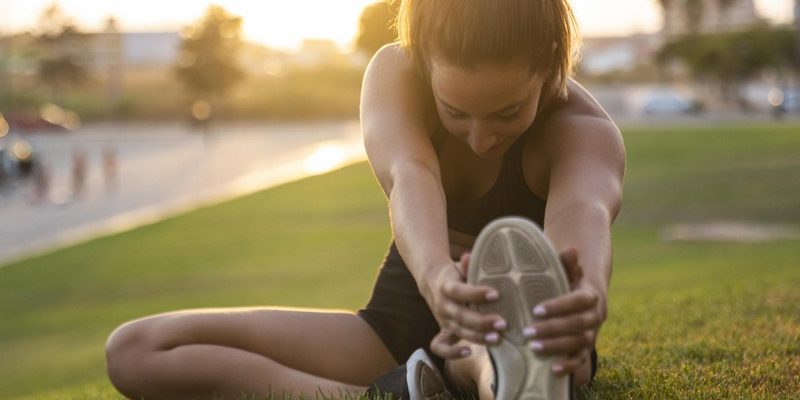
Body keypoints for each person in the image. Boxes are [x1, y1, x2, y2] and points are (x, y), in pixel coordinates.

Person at [104, 0, 625, 399]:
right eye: (455, 112)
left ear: (551, 65)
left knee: (517, 349)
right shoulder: (396, 74)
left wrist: (584, 298)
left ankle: (494, 373)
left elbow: (583, 218)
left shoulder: (582, 133)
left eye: (507, 113)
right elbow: (409, 176)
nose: (481, 138)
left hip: (526, 328)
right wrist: (438, 278)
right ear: (424, 62)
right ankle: (397, 392)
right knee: (137, 350)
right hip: (395, 329)